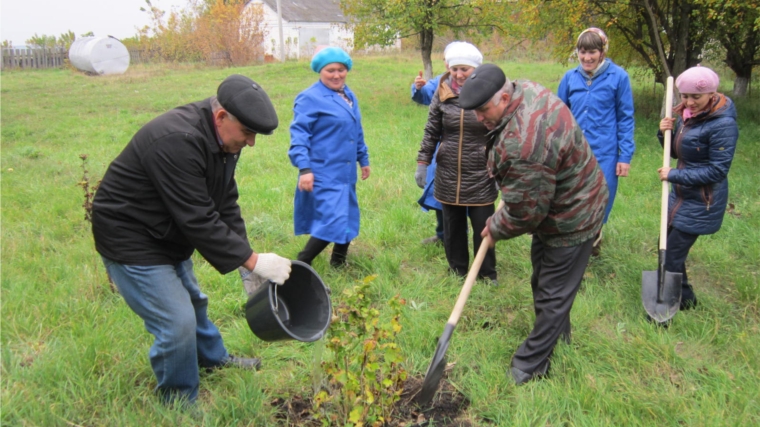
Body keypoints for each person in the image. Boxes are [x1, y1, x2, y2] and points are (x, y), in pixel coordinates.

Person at [91, 75, 293, 405]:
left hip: (166, 230)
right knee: (176, 321)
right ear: (221, 117)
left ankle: (211, 359)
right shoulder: (177, 139)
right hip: (130, 235)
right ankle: (179, 401)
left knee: (194, 301)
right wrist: (254, 261)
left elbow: (224, 201)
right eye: (247, 133)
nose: (251, 142)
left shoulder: (223, 140)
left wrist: (247, 262)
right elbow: (198, 217)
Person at [459, 64, 609, 384]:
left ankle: (530, 365)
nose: (478, 119)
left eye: (483, 110)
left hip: (574, 213)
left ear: (503, 96)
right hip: (558, 200)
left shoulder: (523, 142)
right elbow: (530, 198)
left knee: (553, 291)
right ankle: (559, 336)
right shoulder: (521, 88)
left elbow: (526, 211)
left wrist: (496, 226)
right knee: (544, 280)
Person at [415, 41, 498, 285]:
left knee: (484, 226)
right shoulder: (442, 93)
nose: (459, 75)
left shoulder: (489, 93)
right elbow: (431, 130)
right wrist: (423, 162)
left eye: (465, 69)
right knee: (452, 226)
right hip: (448, 171)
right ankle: (457, 270)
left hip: (481, 172)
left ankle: (486, 273)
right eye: (455, 69)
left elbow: (502, 131)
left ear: (476, 70)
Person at [658, 65, 738, 310]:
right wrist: (664, 134)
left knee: (671, 254)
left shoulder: (723, 124)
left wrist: (674, 175)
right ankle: (686, 300)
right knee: (667, 246)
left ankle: (665, 307)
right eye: (685, 96)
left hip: (702, 199)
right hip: (682, 196)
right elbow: (675, 151)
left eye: (696, 97)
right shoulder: (687, 116)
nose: (689, 102)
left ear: (712, 94)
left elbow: (717, 171)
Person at [289, 47, 371, 267]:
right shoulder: (309, 98)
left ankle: (338, 262)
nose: (337, 75)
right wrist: (304, 169)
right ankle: (300, 264)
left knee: (348, 216)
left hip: (345, 171)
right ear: (320, 71)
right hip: (323, 171)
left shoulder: (348, 95)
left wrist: (363, 159)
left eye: (341, 70)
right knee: (332, 221)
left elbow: (357, 129)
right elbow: (299, 137)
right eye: (330, 70)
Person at [557, 27, 635, 255]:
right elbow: (558, 115)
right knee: (572, 197)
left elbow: (625, 118)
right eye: (582, 52)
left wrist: (625, 156)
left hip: (605, 153)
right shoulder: (570, 78)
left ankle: (593, 242)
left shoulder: (618, 77)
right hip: (574, 152)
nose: (587, 58)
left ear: (602, 52)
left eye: (592, 52)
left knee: (601, 198)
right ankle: (573, 243)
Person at [411, 69, 446, 245]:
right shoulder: (442, 81)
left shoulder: (479, 83)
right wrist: (419, 88)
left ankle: (472, 235)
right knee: (440, 191)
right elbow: (424, 95)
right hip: (443, 149)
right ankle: (443, 235)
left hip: (472, 151)